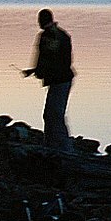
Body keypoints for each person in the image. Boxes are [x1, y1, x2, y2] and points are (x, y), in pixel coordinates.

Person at [23, 9, 75, 151]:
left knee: (54, 114)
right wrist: (35, 71)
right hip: (61, 79)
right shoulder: (61, 35)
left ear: (41, 20)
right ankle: (53, 146)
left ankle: (63, 148)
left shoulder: (48, 36)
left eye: (39, 20)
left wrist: (39, 71)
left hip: (60, 80)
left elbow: (49, 58)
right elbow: (53, 59)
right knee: (51, 114)